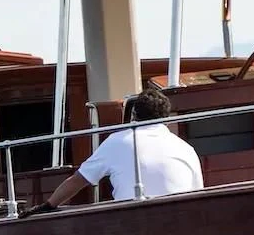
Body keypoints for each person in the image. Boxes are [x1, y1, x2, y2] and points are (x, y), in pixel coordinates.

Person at [26, 87, 203, 214]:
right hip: (181, 221)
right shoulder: (186, 148)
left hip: (132, 221)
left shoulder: (117, 141)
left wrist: (48, 205)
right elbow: (198, 195)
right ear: (166, 118)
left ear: (133, 116)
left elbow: (78, 180)